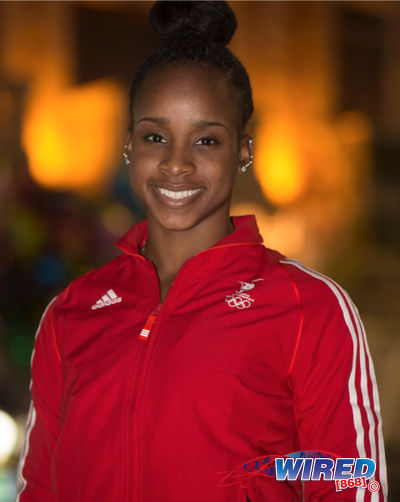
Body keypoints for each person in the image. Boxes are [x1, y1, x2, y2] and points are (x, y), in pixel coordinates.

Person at [15, 1, 387, 501]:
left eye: (206, 141)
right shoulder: (71, 312)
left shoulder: (308, 308)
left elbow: (350, 483)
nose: (176, 164)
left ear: (244, 151)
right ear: (129, 145)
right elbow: (39, 487)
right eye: (155, 137)